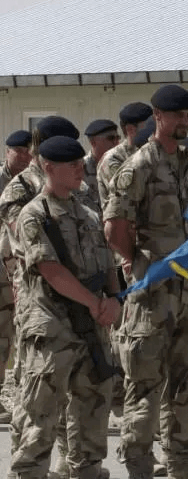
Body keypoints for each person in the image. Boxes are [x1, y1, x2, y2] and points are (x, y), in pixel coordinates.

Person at [104, 84, 188, 478]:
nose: (184, 121)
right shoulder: (138, 166)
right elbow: (114, 227)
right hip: (152, 297)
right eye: (177, 115)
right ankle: (140, 468)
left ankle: (182, 464)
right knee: (144, 389)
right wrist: (136, 263)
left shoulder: (187, 165)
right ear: (157, 117)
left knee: (184, 387)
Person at [9, 136, 122, 479]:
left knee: (92, 414)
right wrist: (95, 304)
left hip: (91, 329)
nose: (79, 169)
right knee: (39, 420)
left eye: (79, 163)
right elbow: (51, 271)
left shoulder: (87, 214)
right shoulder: (34, 216)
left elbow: (107, 266)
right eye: (71, 165)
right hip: (52, 330)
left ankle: (87, 471)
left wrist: (115, 301)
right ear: (48, 168)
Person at [0, 130, 31, 424]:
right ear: (7, 151)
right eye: (18, 150)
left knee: (11, 332)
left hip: (17, 270)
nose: (23, 156)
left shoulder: (31, 183)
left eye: (27, 150)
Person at [96, 102, 153, 211]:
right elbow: (125, 197)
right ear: (131, 129)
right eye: (149, 126)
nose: (153, 131)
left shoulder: (151, 153)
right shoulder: (113, 159)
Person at [82, 119, 120, 212]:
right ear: (93, 142)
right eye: (111, 138)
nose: (116, 142)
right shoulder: (80, 169)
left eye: (118, 138)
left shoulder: (121, 166)